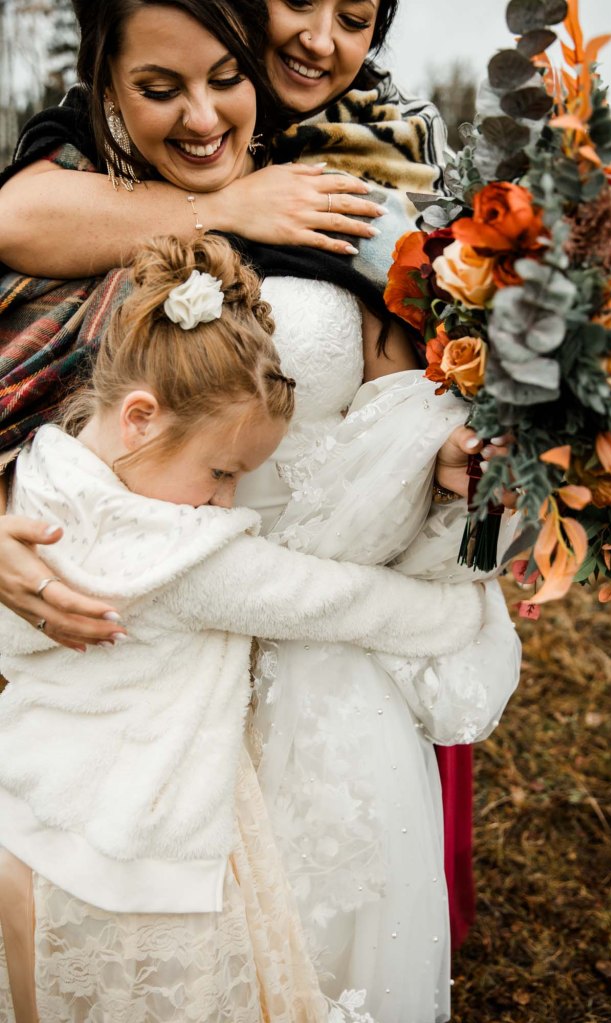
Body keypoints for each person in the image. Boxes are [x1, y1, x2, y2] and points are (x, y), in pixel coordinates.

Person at [0, 0, 512, 1013]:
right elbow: (21, 256)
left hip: (318, 677)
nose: (321, 37)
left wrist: (470, 466)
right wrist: (231, 205)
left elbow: (414, 402)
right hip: (142, 644)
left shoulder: (386, 171)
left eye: (356, 12)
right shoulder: (107, 133)